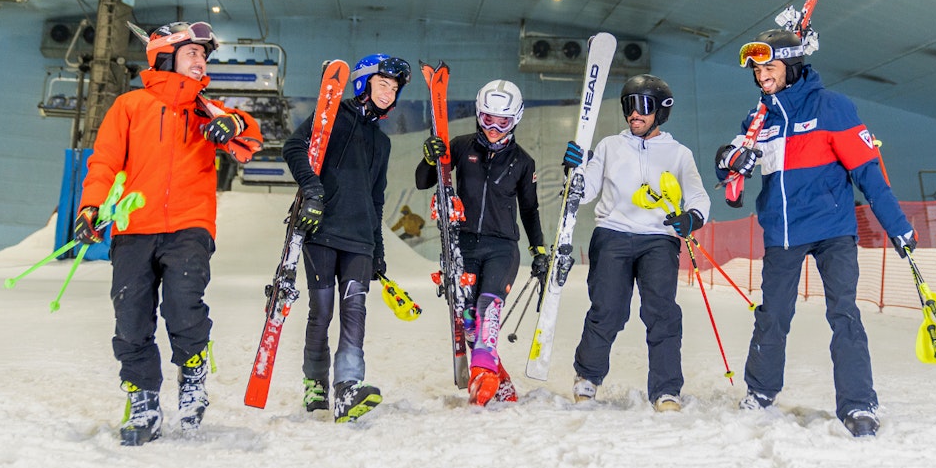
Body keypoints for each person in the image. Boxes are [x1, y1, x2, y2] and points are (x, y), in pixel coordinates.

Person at [717, 27, 917, 437]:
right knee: (772, 316)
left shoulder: (832, 108)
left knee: (844, 314)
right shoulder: (758, 120)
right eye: (756, 69)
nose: (761, 76)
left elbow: (868, 171)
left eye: (769, 67)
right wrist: (730, 161)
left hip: (832, 231)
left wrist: (897, 226)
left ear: (791, 66)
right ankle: (760, 390)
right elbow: (728, 174)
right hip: (782, 234)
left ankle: (859, 403)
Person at [74, 21, 263, 446]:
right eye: (192, 54)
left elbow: (250, 141)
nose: (201, 62)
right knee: (131, 318)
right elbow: (104, 162)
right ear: (164, 56)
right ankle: (143, 398)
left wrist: (236, 125)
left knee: (183, 304)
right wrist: (91, 206)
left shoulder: (206, 110)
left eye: (203, 56)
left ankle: (193, 372)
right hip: (133, 228)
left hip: (189, 225)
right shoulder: (129, 106)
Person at [562, 74, 710, 413]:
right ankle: (587, 376)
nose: (634, 114)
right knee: (608, 309)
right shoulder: (610, 146)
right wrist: (574, 171)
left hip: (659, 238)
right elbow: (584, 195)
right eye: (629, 105)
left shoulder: (679, 153)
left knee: (662, 313)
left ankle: (666, 390)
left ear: (661, 111)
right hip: (612, 233)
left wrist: (693, 217)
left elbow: (698, 194)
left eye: (643, 106)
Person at [283, 53, 410, 423]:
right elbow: (293, 147)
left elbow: (376, 197)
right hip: (321, 232)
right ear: (364, 83)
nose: (388, 93)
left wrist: (379, 247)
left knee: (355, 312)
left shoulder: (382, 144)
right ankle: (316, 384)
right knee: (321, 312)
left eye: (394, 88)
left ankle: (347, 388)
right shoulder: (332, 115)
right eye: (382, 84)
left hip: (360, 242)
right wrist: (312, 190)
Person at [417, 79, 547, 405]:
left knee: (488, 310)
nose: (493, 127)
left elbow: (529, 210)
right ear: (478, 114)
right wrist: (430, 157)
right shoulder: (461, 146)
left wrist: (539, 250)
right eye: (487, 118)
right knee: (469, 322)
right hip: (464, 246)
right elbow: (423, 181)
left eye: (502, 121)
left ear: (515, 119)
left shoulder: (523, 161)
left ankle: (484, 379)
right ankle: (498, 380)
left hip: (502, 247)